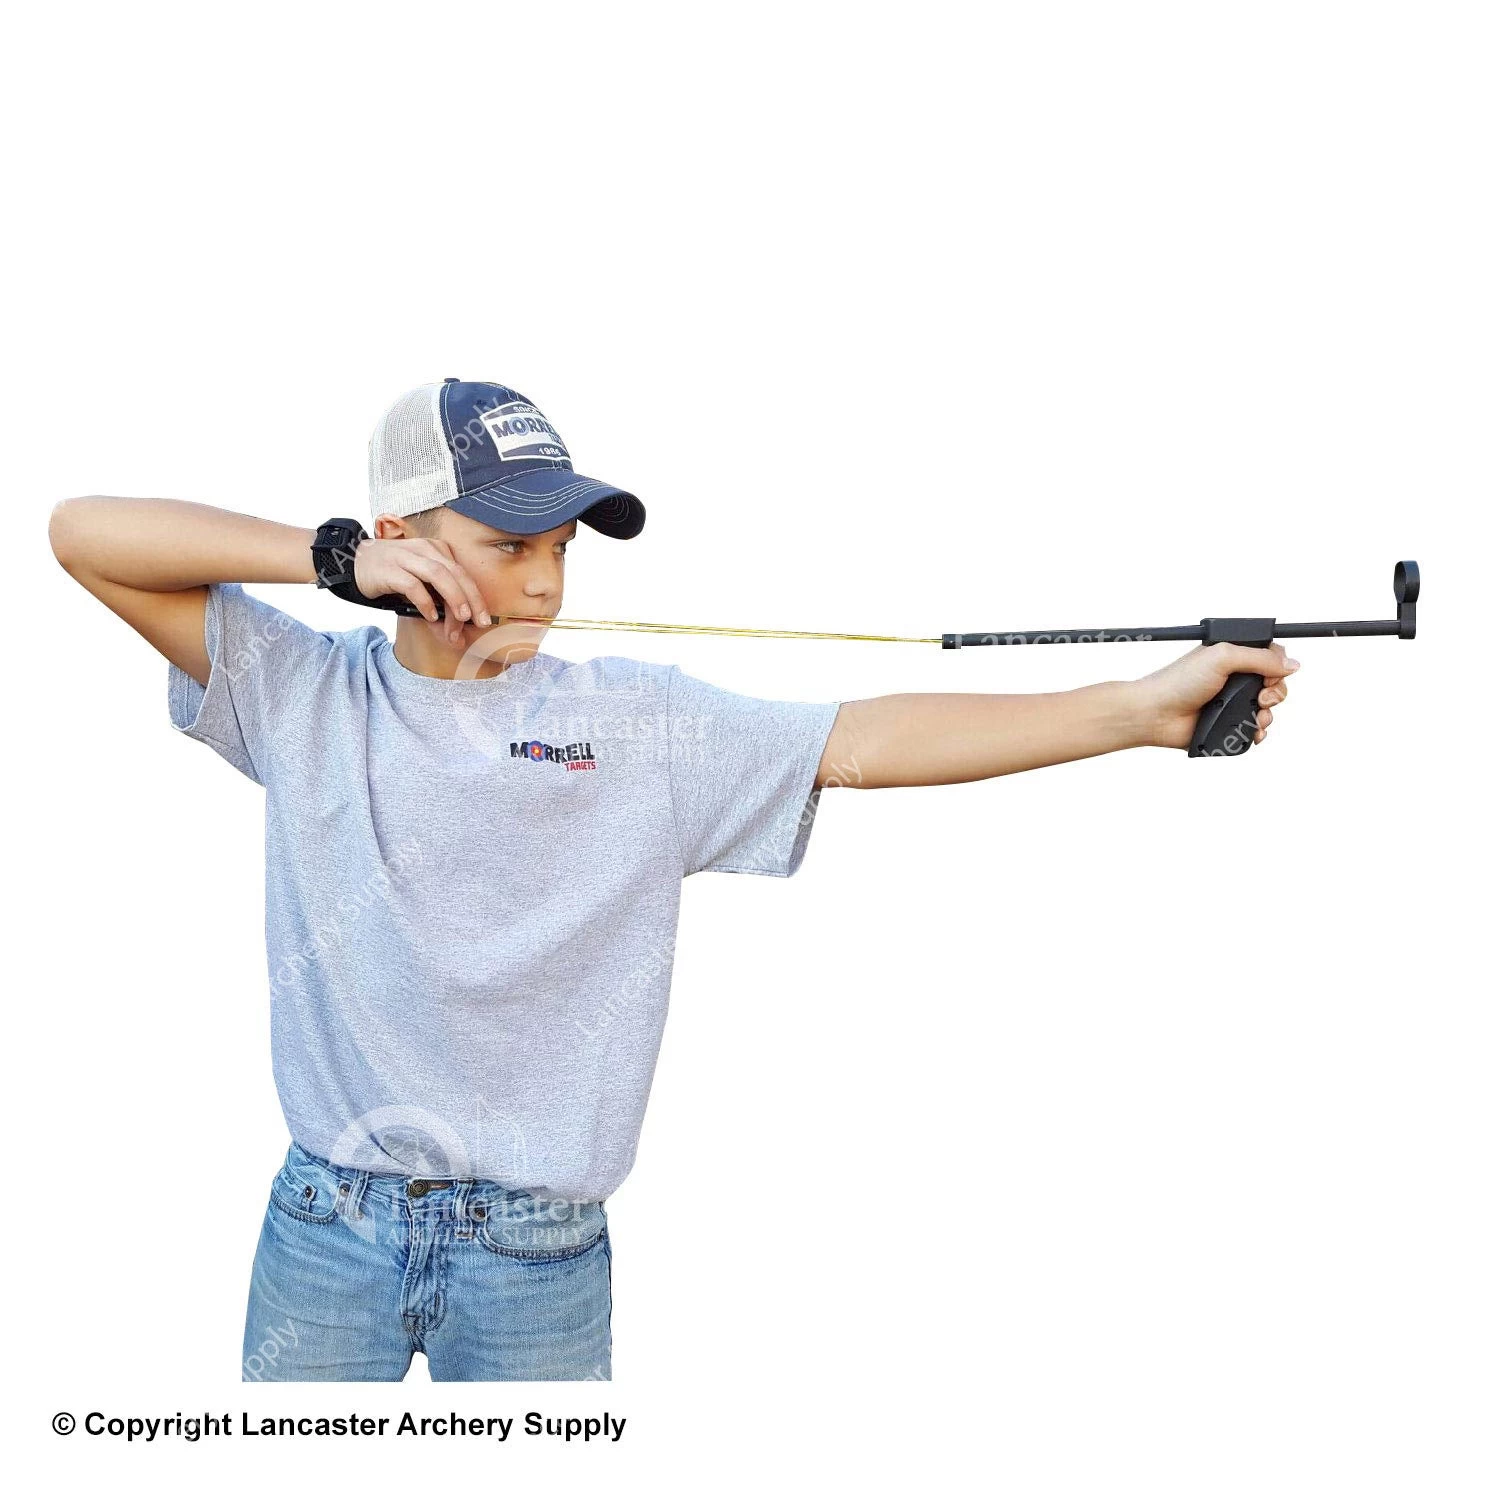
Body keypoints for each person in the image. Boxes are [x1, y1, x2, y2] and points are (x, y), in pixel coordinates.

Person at [47, 379, 1297, 1382]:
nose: (543, 580)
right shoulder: (303, 691)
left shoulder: (636, 726)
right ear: (400, 544)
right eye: (505, 544)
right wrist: (327, 558)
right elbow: (83, 535)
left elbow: (868, 737)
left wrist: (1134, 712)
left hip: (536, 1256)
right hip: (327, 1226)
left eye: (559, 549)